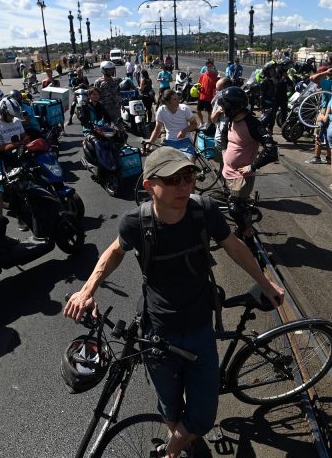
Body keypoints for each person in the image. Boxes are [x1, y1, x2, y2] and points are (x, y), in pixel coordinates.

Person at [63, 146, 284, 458]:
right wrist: (87, 290)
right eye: (172, 180)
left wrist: (265, 282)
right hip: (156, 332)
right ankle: (182, 441)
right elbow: (114, 251)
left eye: (188, 177)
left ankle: (172, 450)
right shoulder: (135, 223)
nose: (184, 186)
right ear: (149, 185)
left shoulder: (204, 211)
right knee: (169, 403)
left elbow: (234, 246)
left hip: (199, 328)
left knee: (204, 415)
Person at [218, 86, 278, 243]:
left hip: (241, 176)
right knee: (234, 203)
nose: (222, 109)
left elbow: (272, 150)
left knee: (235, 208)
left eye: (225, 106)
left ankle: (247, 234)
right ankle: (242, 225)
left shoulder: (251, 123)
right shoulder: (231, 119)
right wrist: (224, 151)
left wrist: (253, 166)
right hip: (227, 171)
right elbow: (225, 135)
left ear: (234, 107)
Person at [0, 98, 29, 230]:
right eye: (10, 115)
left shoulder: (16, 121)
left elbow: (24, 136)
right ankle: (21, 216)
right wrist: (9, 146)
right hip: (4, 158)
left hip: (19, 153)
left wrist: (26, 140)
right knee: (14, 186)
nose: (13, 118)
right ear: (3, 112)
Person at [148, 90, 198, 157]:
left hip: (185, 140)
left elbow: (194, 124)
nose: (178, 101)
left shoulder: (184, 109)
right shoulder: (161, 110)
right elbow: (157, 130)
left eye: (178, 98)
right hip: (170, 141)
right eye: (175, 99)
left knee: (189, 164)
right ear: (167, 102)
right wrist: (149, 144)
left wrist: (184, 131)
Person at [95, 61, 122, 127]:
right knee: (104, 130)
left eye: (112, 70)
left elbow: (119, 92)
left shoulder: (116, 80)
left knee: (120, 129)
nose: (111, 72)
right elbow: (95, 96)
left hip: (116, 108)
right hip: (104, 109)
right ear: (103, 70)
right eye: (109, 70)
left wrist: (121, 103)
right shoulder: (98, 82)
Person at [196, 60, 218, 128]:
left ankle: (208, 124)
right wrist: (198, 89)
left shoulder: (215, 75)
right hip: (202, 96)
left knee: (209, 112)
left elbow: (217, 86)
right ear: (206, 67)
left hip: (210, 97)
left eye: (210, 66)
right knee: (198, 110)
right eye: (207, 66)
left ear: (212, 67)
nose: (209, 68)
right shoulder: (203, 75)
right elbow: (198, 84)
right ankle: (202, 123)